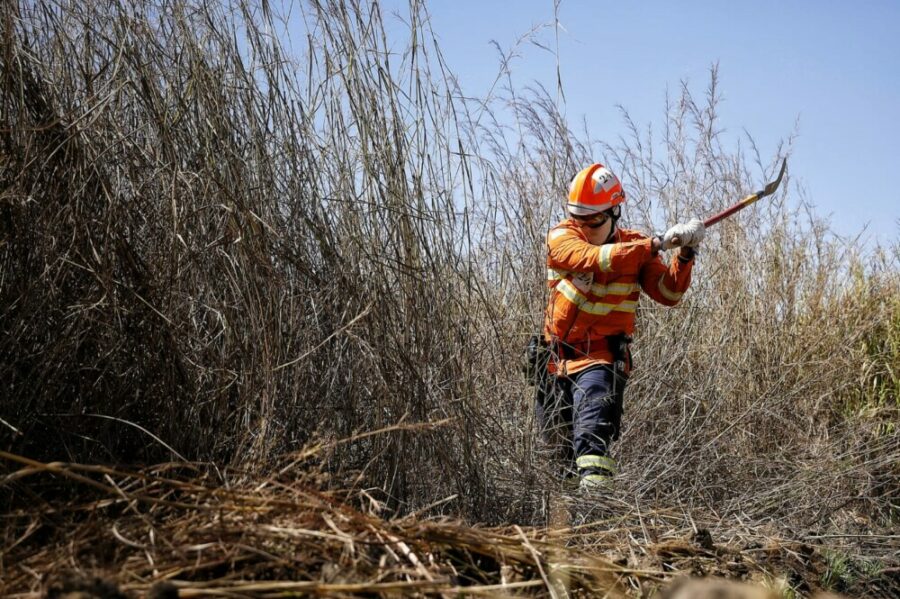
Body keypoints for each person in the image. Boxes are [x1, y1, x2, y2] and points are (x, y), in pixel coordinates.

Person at [538, 163, 704, 490]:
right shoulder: (562, 237)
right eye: (578, 218)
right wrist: (655, 244)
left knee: (591, 443)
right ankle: (562, 517)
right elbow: (592, 257)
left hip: (599, 362)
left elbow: (669, 293)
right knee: (557, 459)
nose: (584, 227)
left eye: (594, 220)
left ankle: (597, 511)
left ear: (614, 212)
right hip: (554, 364)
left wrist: (685, 254)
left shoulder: (637, 248)